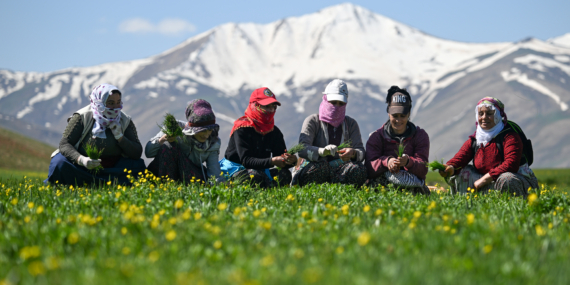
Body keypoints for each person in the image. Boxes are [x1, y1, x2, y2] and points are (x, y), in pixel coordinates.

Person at [45, 83, 145, 186]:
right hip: (82, 168)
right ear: (99, 103)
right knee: (59, 163)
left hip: (114, 168)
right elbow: (64, 144)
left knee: (138, 165)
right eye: (110, 103)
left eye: (118, 102)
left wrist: (120, 138)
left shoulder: (125, 120)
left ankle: (99, 184)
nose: (116, 107)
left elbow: (137, 152)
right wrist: (81, 160)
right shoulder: (82, 117)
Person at [439, 97, 538, 196]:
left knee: (507, 179)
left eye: (490, 113)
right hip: (486, 182)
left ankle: (514, 205)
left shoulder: (510, 136)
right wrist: (451, 167)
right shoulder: (476, 139)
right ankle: (467, 203)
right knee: (460, 172)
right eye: (481, 114)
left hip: (517, 181)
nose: (484, 117)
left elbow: (511, 164)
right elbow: (460, 158)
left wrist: (485, 179)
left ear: (499, 115)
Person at [293, 79, 367, 187]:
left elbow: (361, 152)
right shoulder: (313, 121)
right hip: (315, 169)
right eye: (333, 102)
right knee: (320, 167)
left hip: (340, 169)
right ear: (325, 99)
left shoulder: (351, 124)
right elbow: (302, 149)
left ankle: (338, 188)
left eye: (340, 103)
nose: (336, 107)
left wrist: (353, 153)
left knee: (359, 169)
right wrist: (322, 152)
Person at [223, 87, 296, 188]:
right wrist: (272, 161)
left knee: (284, 174)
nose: (271, 110)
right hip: (238, 170)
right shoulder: (242, 129)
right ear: (255, 106)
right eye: (267, 106)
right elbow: (246, 160)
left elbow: (280, 157)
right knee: (255, 175)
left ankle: (268, 190)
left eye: (273, 107)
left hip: (260, 171)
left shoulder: (274, 132)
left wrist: (290, 161)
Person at [365, 86, 430, 194]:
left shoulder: (420, 135)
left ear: (409, 114)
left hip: (411, 185)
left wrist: (408, 162)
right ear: (388, 113)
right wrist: (387, 162)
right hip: (382, 185)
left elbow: (423, 169)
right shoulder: (376, 137)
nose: (398, 120)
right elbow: (369, 168)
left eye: (402, 115)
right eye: (395, 115)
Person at [146, 99, 225, 184]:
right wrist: (161, 140)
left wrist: (219, 186)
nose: (206, 135)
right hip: (165, 171)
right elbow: (148, 153)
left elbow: (214, 172)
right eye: (202, 131)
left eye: (209, 130)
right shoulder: (175, 128)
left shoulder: (213, 142)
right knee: (168, 146)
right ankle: (166, 187)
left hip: (191, 176)